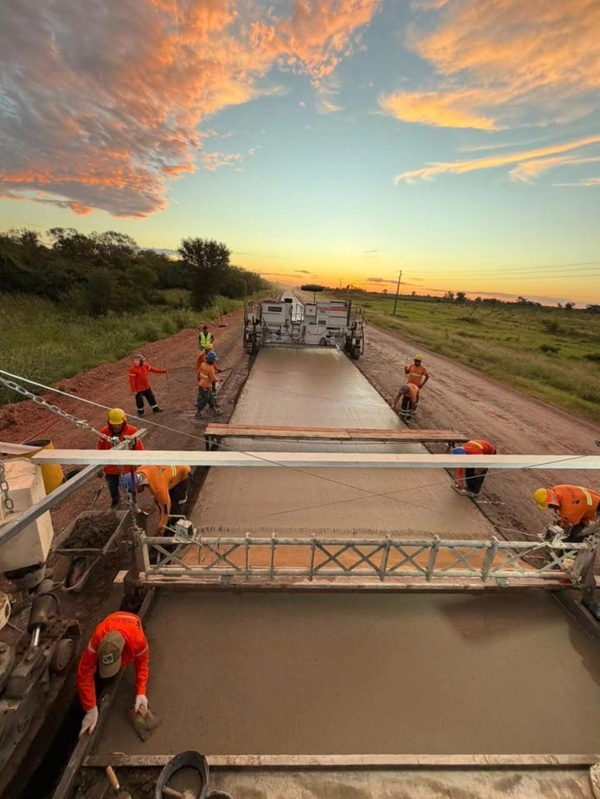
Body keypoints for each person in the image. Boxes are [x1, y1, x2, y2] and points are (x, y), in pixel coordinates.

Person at [77, 611, 149, 736]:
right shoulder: (97, 638)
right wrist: (90, 708)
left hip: (131, 622)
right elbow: (84, 672)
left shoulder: (138, 640)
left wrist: (141, 692)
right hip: (111, 621)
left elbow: (142, 664)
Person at [97, 408, 145, 509]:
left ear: (124, 422)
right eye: (114, 424)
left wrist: (141, 468)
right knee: (113, 488)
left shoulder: (132, 431)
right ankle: (115, 502)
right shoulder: (104, 432)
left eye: (119, 424)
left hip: (128, 469)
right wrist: (99, 467)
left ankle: (133, 504)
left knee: (131, 489)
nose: (116, 426)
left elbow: (139, 449)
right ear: (109, 423)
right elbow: (100, 450)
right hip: (111, 469)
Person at [122, 465, 192, 533]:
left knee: (176, 504)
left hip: (183, 471)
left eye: (135, 490)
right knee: (165, 496)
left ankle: (173, 529)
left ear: (138, 485)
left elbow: (166, 508)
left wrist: (161, 526)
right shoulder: (139, 470)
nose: (136, 492)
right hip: (168, 472)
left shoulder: (158, 488)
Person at [533, 485, 600, 541]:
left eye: (549, 506)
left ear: (552, 503)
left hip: (597, 510)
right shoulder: (557, 488)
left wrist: (562, 525)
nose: (549, 508)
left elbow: (565, 527)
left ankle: (573, 555)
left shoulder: (569, 510)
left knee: (575, 535)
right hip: (595, 498)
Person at [196, 351, 221, 416]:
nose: (214, 362)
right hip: (205, 387)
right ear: (211, 360)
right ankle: (198, 413)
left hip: (203, 386)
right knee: (204, 400)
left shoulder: (202, 365)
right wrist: (219, 379)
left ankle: (215, 411)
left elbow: (198, 373)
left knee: (211, 399)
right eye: (214, 360)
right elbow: (213, 379)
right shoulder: (210, 368)